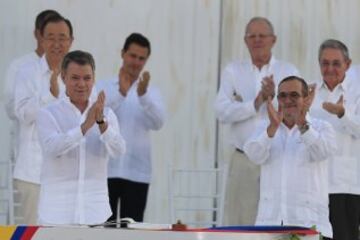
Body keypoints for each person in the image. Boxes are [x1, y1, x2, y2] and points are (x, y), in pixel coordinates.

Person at [215, 17, 299, 225]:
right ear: (245, 41)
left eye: (262, 35)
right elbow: (221, 112)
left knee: (278, 223)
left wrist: (274, 98)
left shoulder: (289, 71)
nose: (257, 40)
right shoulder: (233, 71)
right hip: (245, 159)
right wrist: (256, 102)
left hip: (278, 158)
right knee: (240, 222)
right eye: (252, 36)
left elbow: (297, 112)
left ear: (274, 40)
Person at [36, 50, 126, 225]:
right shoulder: (48, 113)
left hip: (95, 213)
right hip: (56, 214)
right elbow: (51, 148)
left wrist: (101, 123)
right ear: (64, 78)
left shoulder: (106, 114)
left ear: (93, 78)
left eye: (87, 78)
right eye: (75, 78)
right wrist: (84, 127)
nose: (81, 84)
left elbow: (119, 150)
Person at [244, 76, 335, 239]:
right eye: (283, 96)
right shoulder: (265, 127)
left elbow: (322, 152)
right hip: (269, 225)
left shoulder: (322, 127)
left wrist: (302, 125)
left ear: (306, 98)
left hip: (310, 226)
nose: (288, 100)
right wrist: (271, 129)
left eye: (294, 95)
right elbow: (254, 156)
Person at [97, 33, 165, 222]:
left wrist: (143, 97)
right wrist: (121, 92)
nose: (136, 62)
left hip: (137, 173)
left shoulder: (152, 92)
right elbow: (95, 115)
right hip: (105, 172)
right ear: (123, 54)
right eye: (132, 56)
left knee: (133, 232)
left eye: (141, 58)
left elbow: (159, 122)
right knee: (103, 231)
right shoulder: (103, 86)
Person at [13, 14, 73, 224]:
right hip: (33, 174)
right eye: (51, 37)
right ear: (41, 39)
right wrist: (49, 94)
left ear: (71, 41)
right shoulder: (26, 72)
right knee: (31, 234)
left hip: (68, 178)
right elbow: (22, 114)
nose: (57, 44)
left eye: (62, 38)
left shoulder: (79, 75)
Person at [309, 39, 360, 240]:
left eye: (336, 63)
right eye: (325, 63)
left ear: (347, 64)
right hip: (314, 187)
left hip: (347, 185)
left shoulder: (356, 92)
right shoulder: (309, 92)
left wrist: (343, 113)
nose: (330, 69)